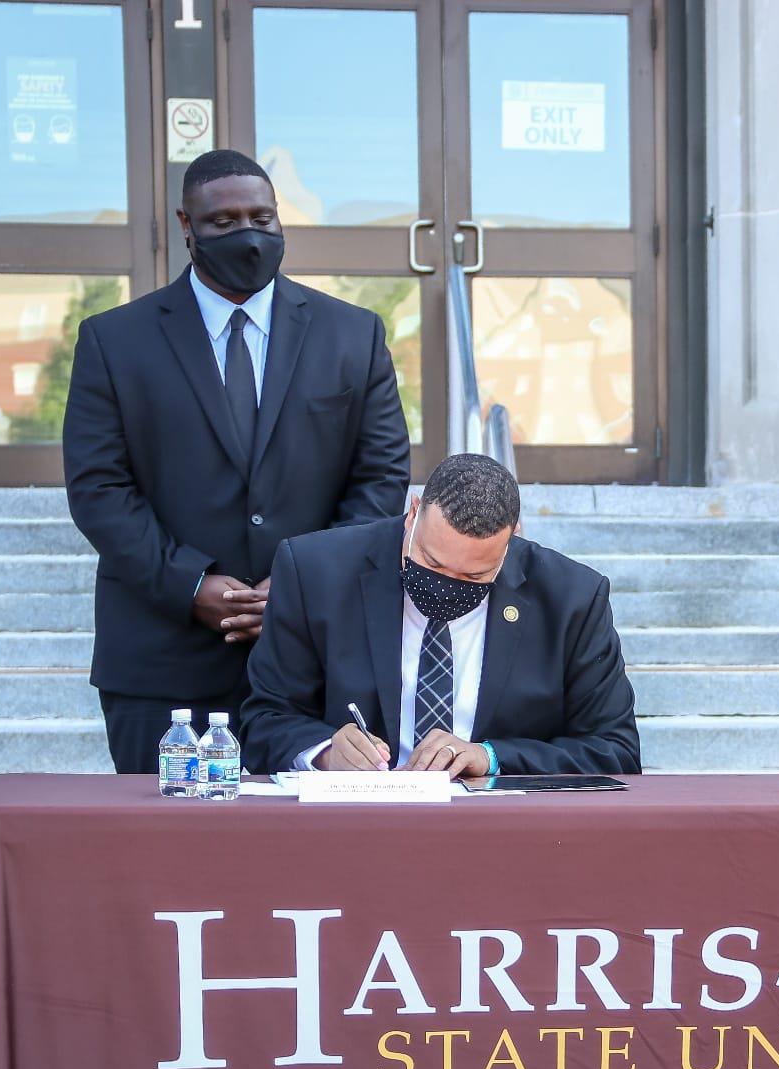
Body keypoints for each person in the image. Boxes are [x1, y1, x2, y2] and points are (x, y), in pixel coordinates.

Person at [63, 148, 410, 772]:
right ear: (186, 226)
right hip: (162, 663)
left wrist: (304, 583)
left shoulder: (353, 335)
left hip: (315, 660)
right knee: (169, 861)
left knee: (312, 866)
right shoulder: (114, 341)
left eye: (262, 217)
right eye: (223, 221)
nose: (247, 234)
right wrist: (192, 584)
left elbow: (380, 477)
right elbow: (99, 488)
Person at [240, 454, 640, 778]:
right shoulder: (316, 571)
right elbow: (265, 721)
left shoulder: (571, 598)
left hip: (502, 835)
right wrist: (326, 752)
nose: (447, 584)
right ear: (413, 514)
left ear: (512, 540)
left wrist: (490, 758)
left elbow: (615, 751)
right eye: (431, 562)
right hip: (355, 827)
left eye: (473, 576)